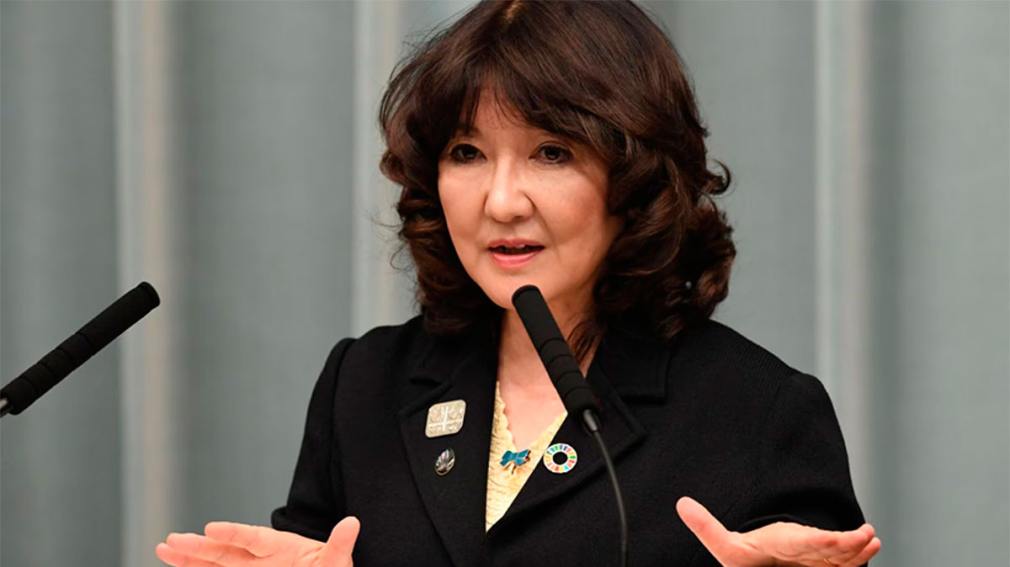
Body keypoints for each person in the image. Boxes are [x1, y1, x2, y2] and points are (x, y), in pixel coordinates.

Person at [155, 1, 881, 566]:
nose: (501, 201)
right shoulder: (366, 385)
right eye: (467, 152)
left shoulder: (758, 413)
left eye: (551, 152)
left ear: (634, 179)